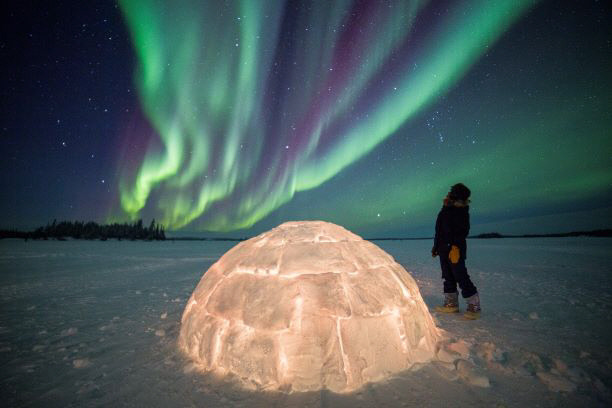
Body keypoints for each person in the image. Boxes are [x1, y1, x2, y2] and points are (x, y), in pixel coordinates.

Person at [431, 183, 481, 319]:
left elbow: (463, 231)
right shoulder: (445, 208)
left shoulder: (461, 211)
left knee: (460, 276)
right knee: (447, 276)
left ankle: (474, 306)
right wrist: (436, 247)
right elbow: (439, 230)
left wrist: (455, 246)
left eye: (452, 192)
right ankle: (451, 304)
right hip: (443, 248)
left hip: (455, 250)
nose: (449, 194)